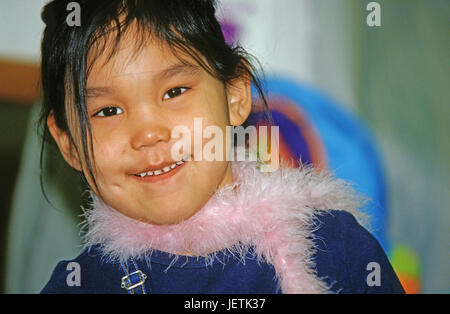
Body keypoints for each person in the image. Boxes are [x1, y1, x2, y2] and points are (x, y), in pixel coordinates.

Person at [39, 0, 404, 294]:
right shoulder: (80, 284)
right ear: (69, 143)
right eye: (108, 111)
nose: (148, 134)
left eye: (175, 91)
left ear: (234, 95)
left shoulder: (336, 249)